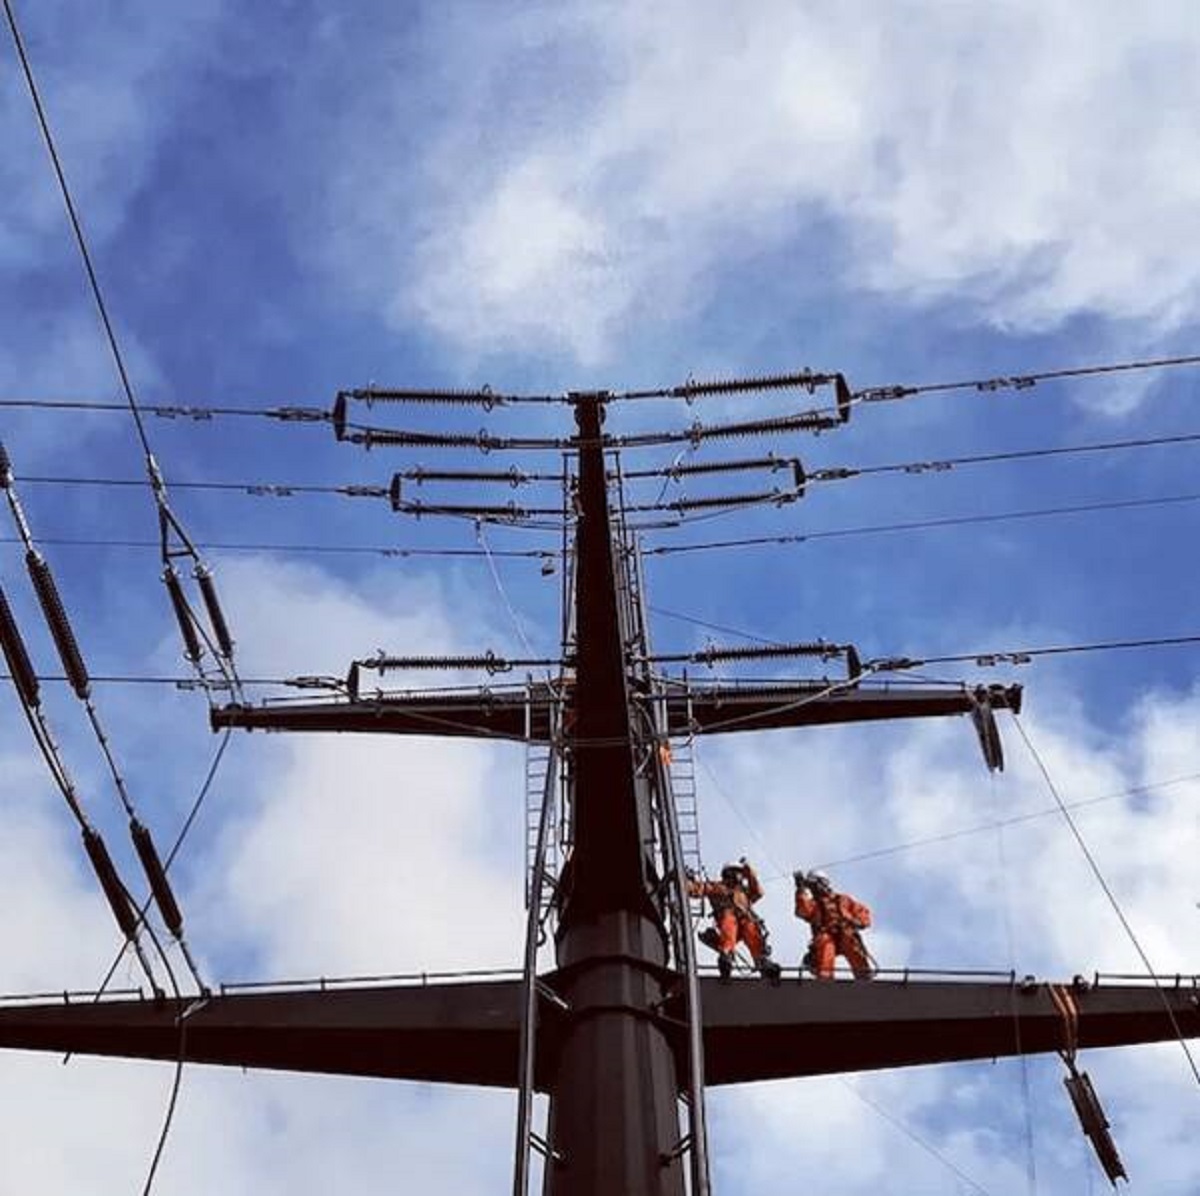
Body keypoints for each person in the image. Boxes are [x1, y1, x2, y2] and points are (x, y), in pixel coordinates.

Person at [688, 858, 781, 983]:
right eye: (738, 873)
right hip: (729, 928)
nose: (740, 876)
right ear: (730, 873)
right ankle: (725, 956)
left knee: (750, 926)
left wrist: (749, 871)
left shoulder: (743, 893)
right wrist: (687, 881)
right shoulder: (718, 887)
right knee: (729, 920)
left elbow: (758, 892)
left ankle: (762, 961)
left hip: (745, 925)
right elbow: (698, 889)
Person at [793, 870, 874, 980]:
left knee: (851, 941)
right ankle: (825, 978)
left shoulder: (843, 899)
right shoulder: (813, 904)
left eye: (814, 885)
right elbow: (802, 911)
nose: (813, 889)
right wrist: (800, 890)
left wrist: (857, 922)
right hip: (826, 937)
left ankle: (863, 976)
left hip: (845, 935)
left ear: (823, 883)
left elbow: (862, 913)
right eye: (811, 887)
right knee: (824, 942)